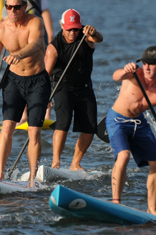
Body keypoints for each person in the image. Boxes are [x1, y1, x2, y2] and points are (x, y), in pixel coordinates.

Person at [0, 0, 50, 187]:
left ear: (25, 7)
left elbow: (37, 44)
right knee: (7, 127)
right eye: (9, 7)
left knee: (34, 131)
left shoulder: (35, 22)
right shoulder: (0, 30)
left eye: (17, 7)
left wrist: (19, 55)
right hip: (13, 81)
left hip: (37, 80)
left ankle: (32, 179)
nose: (12, 10)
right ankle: (0, 175)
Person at [106, 46, 156, 215]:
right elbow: (115, 76)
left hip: (139, 123)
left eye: (151, 64)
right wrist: (124, 71)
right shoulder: (134, 73)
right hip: (117, 121)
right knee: (124, 155)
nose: (147, 68)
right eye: (144, 63)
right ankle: (116, 202)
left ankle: (152, 209)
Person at [45, 9, 103, 171]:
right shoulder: (53, 47)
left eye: (76, 28)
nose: (73, 32)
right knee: (63, 122)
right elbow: (46, 74)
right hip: (61, 86)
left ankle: (75, 164)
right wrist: (45, 96)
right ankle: (55, 163)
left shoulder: (86, 35)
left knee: (90, 127)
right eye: (69, 28)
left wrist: (94, 32)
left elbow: (99, 39)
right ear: (62, 25)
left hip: (84, 87)